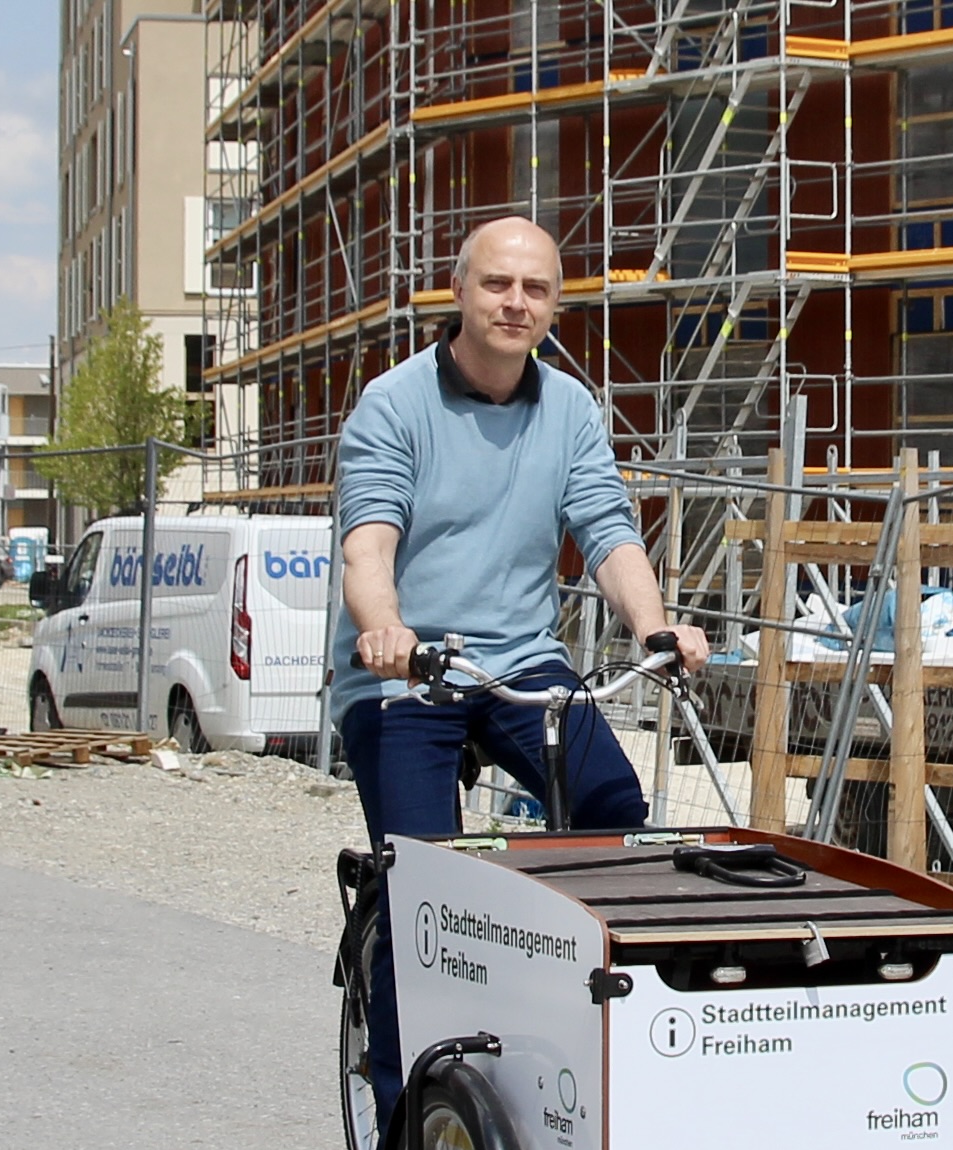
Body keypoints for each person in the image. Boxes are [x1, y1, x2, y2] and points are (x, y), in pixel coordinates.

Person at [330, 215, 709, 1144]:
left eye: (534, 290)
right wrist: (383, 630)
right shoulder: (394, 401)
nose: (514, 303)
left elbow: (608, 530)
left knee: (615, 810)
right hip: (409, 669)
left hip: (518, 660)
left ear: (553, 306)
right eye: (497, 284)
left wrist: (655, 625)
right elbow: (368, 540)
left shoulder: (570, 409)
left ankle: (558, 1024)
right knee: (422, 882)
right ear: (459, 291)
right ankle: (401, 1118)